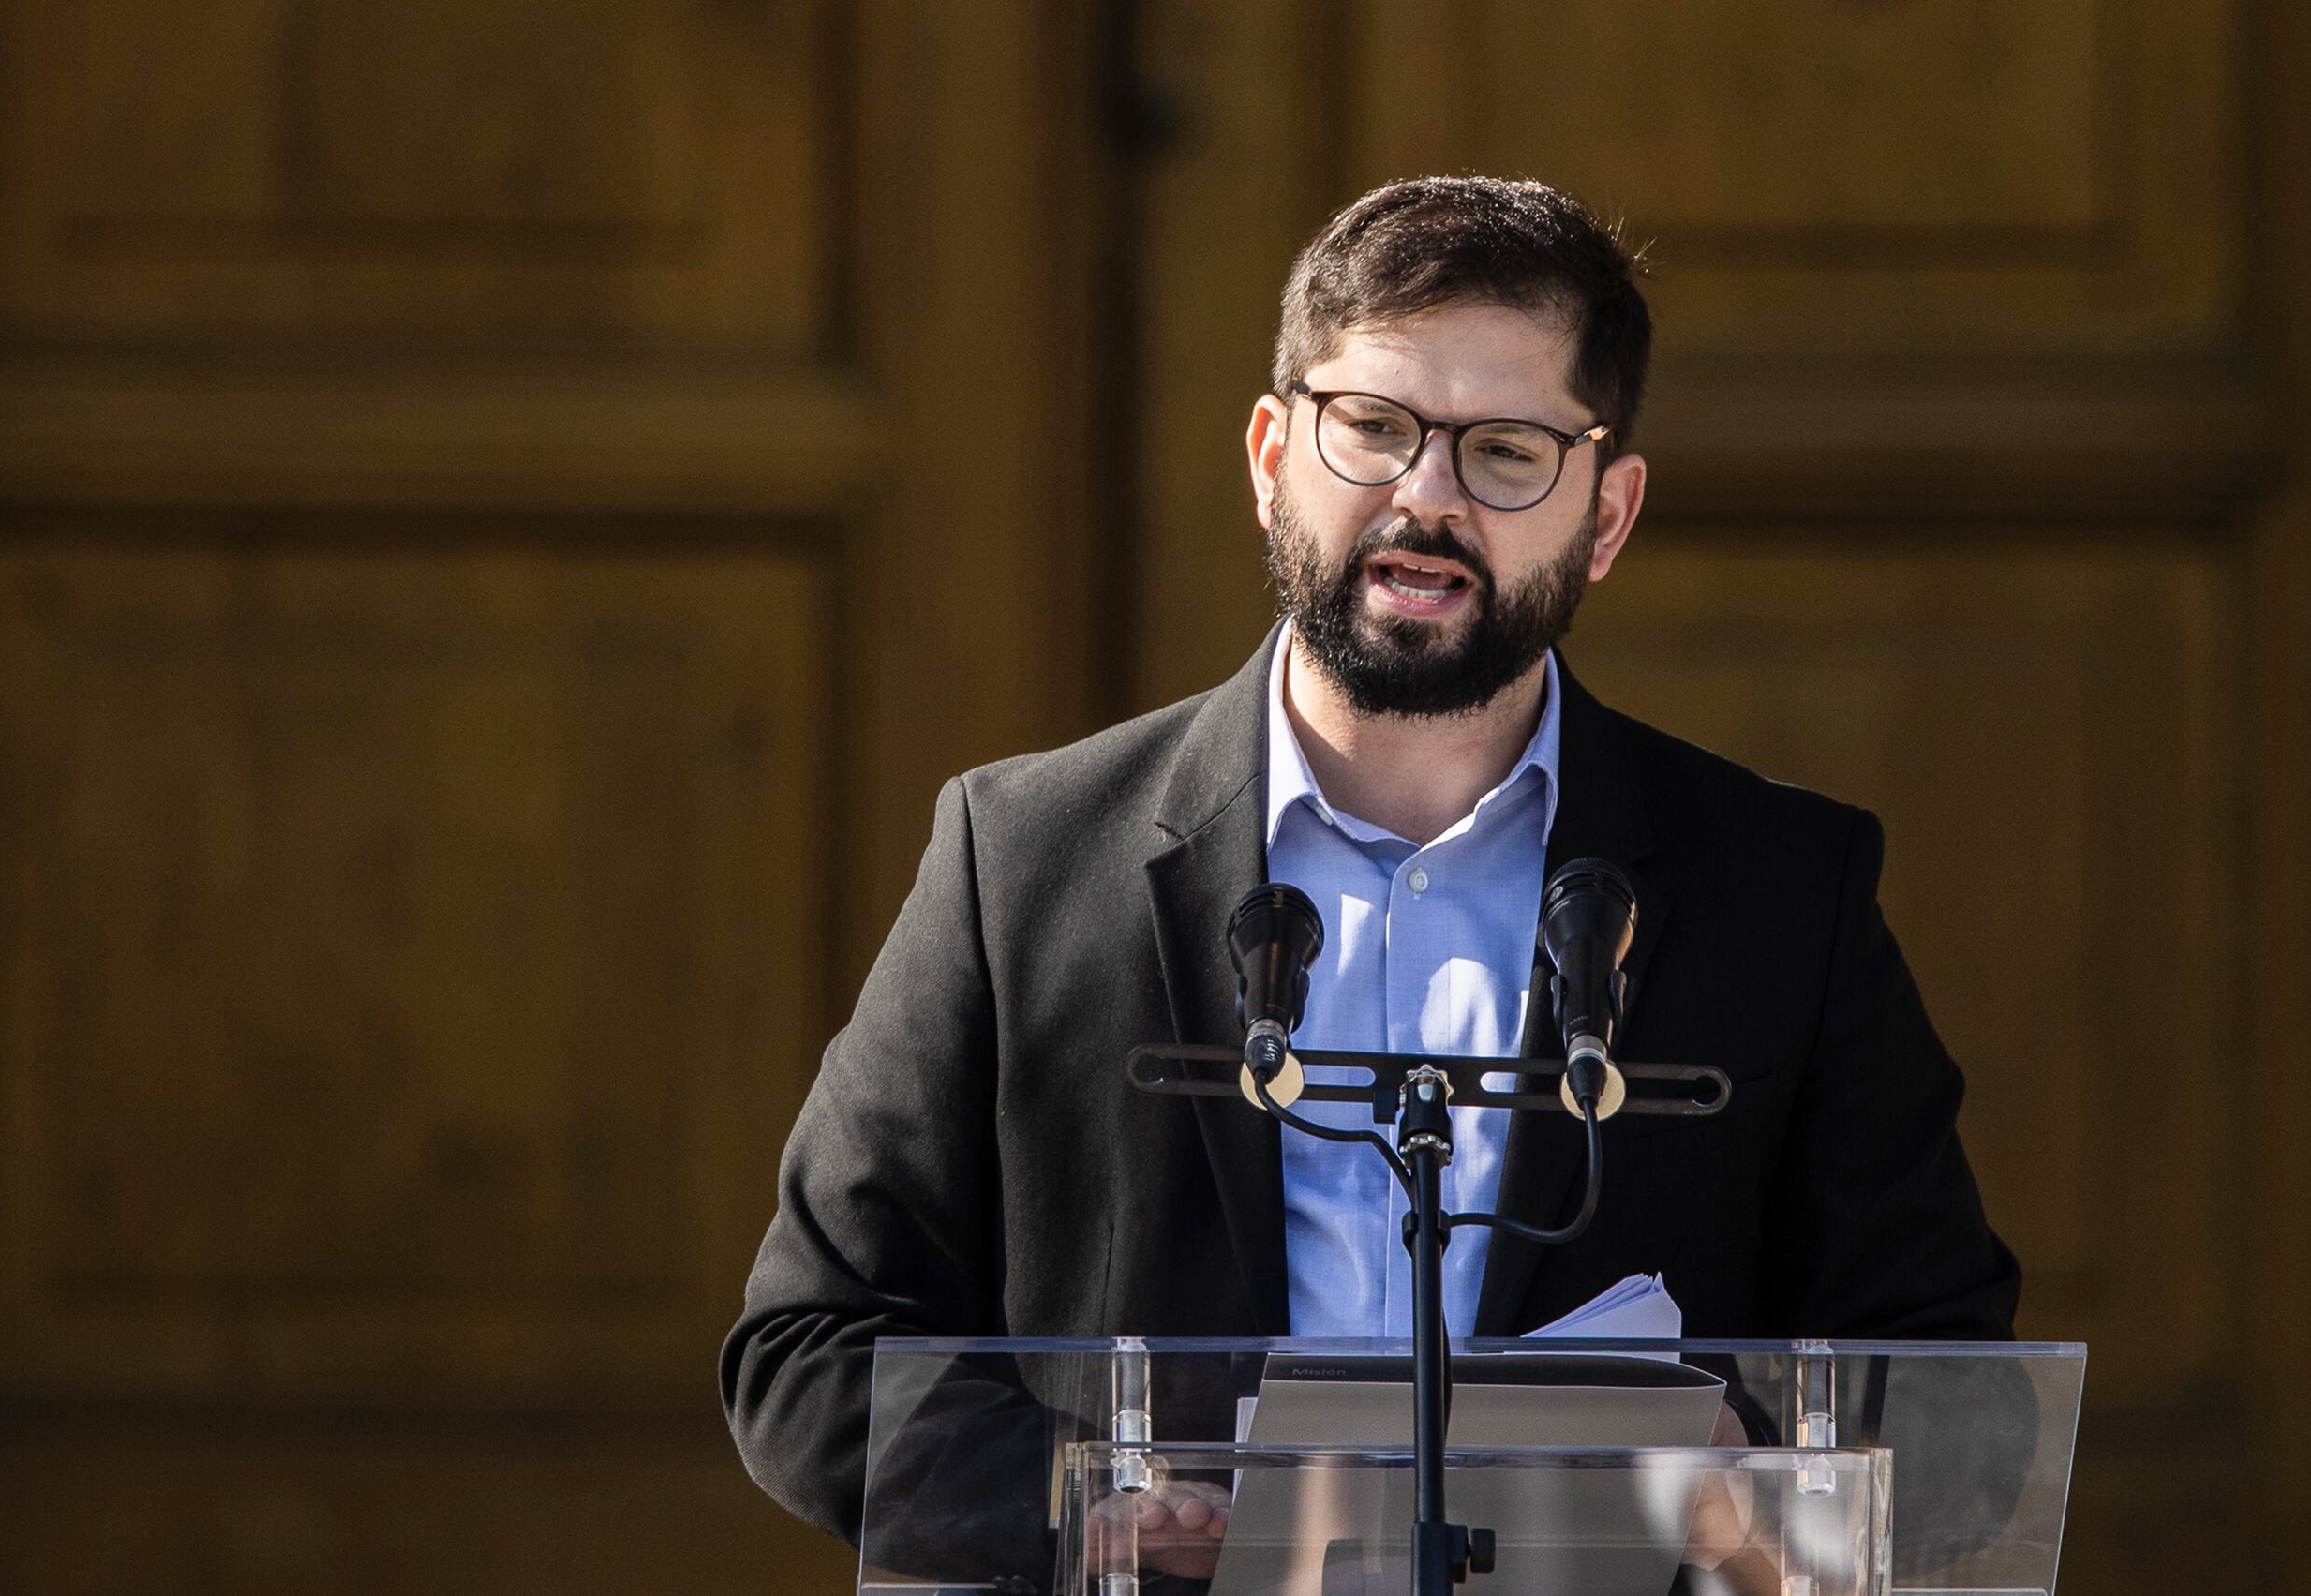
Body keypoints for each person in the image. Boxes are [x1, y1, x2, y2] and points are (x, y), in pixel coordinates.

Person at [720, 176, 2020, 1559]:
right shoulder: (1024, 861)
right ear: (1273, 452)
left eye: (1507, 451)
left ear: (1610, 513)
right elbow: (808, 1357)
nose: (1426, 499)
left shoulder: (1779, 887)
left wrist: (1746, 1479)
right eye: (1375, 430)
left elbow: (1959, 1402)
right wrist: (1103, 1510)